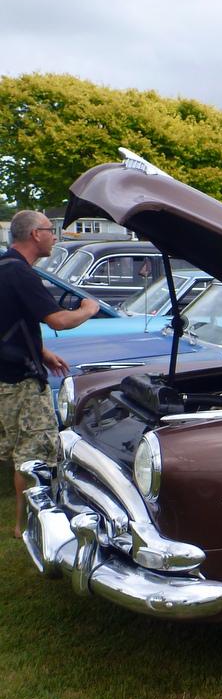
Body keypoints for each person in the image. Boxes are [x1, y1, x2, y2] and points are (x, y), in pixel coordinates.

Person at [1, 210, 99, 537]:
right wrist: (87, 309)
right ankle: (28, 526)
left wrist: (42, 352)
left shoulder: (4, 267)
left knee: (17, 449)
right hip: (20, 382)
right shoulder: (21, 274)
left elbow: (9, 320)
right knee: (33, 454)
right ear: (35, 234)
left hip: (6, 376)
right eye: (50, 230)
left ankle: (23, 523)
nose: (54, 236)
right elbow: (58, 320)